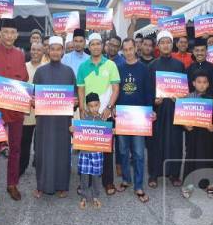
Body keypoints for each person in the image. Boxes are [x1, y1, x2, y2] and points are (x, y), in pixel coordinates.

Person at [0, 18, 29, 202]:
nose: (9, 36)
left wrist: (26, 96)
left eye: (12, 32)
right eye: (6, 32)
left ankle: (12, 184)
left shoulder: (20, 54)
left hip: (16, 109)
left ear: (16, 35)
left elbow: (24, 79)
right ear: (0, 34)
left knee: (15, 148)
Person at [77, 33, 120, 195]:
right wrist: (82, 110)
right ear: (89, 46)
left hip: (105, 114)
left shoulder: (111, 65)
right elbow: (80, 89)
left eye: (98, 44)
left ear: (103, 46)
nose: (95, 46)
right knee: (87, 148)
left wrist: (109, 107)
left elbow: (116, 88)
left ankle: (108, 182)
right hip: (88, 115)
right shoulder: (83, 67)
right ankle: (85, 182)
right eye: (93, 44)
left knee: (107, 148)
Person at [33, 36, 76, 197]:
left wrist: (74, 102)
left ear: (63, 51)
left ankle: (62, 185)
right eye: (52, 49)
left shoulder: (69, 71)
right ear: (48, 51)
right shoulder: (40, 72)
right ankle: (41, 185)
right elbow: (34, 95)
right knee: (43, 152)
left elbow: (74, 98)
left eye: (59, 49)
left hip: (63, 121)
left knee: (62, 151)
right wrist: (33, 101)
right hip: (44, 121)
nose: (55, 52)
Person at [148, 30, 186, 188]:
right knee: (155, 142)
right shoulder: (152, 66)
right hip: (158, 110)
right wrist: (153, 101)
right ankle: (154, 174)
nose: (165, 45)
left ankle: (174, 173)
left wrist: (180, 98)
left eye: (168, 42)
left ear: (172, 44)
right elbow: (148, 89)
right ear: (158, 45)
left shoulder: (179, 65)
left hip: (175, 110)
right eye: (162, 42)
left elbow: (185, 91)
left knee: (175, 142)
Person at [115, 38, 151, 203]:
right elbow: (114, 90)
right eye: (126, 49)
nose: (128, 52)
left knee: (138, 153)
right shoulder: (119, 68)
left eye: (131, 49)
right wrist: (113, 107)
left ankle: (138, 185)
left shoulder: (144, 69)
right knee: (122, 150)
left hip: (139, 117)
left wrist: (151, 111)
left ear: (136, 48)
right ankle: (126, 180)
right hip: (122, 116)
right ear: (123, 51)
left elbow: (148, 92)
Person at [181, 71, 213, 199]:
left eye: (204, 82)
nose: (201, 85)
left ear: (208, 84)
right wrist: (185, 125)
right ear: (193, 83)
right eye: (199, 82)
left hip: (207, 135)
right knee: (191, 155)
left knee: (206, 157)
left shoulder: (212, 100)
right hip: (192, 133)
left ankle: (207, 184)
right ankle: (188, 184)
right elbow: (181, 116)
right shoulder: (187, 98)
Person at [72, 92, 105, 209]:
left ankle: (96, 196)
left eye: (95, 105)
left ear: (99, 105)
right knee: (84, 176)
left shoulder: (102, 119)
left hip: (97, 154)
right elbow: (78, 131)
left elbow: (106, 135)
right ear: (87, 106)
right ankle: (84, 196)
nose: (93, 108)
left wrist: (112, 131)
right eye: (90, 106)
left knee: (96, 176)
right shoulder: (84, 118)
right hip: (85, 153)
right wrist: (73, 129)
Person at [19, 42, 45, 177]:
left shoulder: (46, 68)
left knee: (40, 144)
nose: (35, 52)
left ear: (43, 52)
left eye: (38, 50)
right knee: (24, 143)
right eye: (33, 49)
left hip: (42, 114)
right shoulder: (23, 67)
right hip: (26, 113)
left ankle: (40, 168)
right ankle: (21, 168)